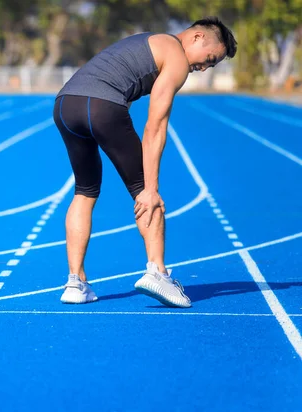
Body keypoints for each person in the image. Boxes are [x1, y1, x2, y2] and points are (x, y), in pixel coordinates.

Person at [53, 17, 237, 307]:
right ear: (198, 37)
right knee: (144, 193)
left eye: (211, 66)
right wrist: (150, 188)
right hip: (100, 106)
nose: (204, 67)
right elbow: (156, 126)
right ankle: (157, 272)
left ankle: (75, 282)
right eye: (209, 59)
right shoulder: (175, 55)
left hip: (65, 105)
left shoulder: (147, 41)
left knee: (85, 191)